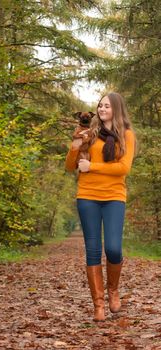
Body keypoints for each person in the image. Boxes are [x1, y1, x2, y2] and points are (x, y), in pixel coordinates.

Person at [65, 92, 136, 322]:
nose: (101, 109)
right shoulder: (89, 134)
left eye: (106, 105)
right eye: (100, 105)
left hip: (114, 196)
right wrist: (76, 144)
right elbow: (69, 166)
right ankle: (98, 305)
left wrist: (91, 166)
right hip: (87, 196)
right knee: (93, 251)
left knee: (113, 248)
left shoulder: (126, 135)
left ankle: (113, 290)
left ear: (116, 109)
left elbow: (123, 168)